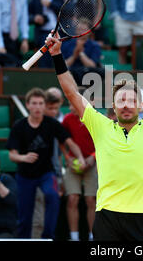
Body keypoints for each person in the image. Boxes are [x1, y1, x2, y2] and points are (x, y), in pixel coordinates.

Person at [44, 27, 143, 240]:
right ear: (113, 105)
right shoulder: (100, 125)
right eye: (121, 100)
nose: (126, 105)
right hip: (107, 217)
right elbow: (71, 92)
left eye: (131, 100)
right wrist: (57, 55)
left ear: (140, 104)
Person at [6, 87, 85, 239]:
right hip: (25, 175)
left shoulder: (52, 124)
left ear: (44, 105)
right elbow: (12, 155)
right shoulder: (19, 126)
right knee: (25, 215)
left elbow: (69, 142)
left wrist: (80, 157)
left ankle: (48, 237)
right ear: (28, 105)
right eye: (34, 103)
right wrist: (24, 157)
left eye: (41, 103)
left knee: (52, 195)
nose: (37, 107)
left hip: (46, 173)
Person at [32, 87, 66, 238]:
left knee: (49, 220)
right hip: (35, 177)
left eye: (55, 108)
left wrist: (59, 179)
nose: (53, 111)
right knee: (38, 219)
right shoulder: (32, 126)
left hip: (52, 176)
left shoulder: (55, 127)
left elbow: (57, 156)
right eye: (50, 108)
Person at [62, 95, 97, 241]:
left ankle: (92, 236)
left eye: (73, 104)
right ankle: (74, 237)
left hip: (93, 164)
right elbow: (62, 140)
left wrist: (93, 157)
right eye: (69, 104)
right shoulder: (67, 119)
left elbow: (104, 142)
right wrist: (67, 158)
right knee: (72, 199)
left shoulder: (95, 118)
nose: (70, 107)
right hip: (73, 164)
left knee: (91, 200)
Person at [29, 0, 68, 69]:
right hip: (43, 35)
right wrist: (35, 18)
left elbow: (68, 12)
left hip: (60, 34)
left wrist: (50, 4)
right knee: (44, 62)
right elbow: (27, 17)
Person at [60, 21, 104, 86]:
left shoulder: (95, 46)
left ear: (90, 32)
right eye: (79, 29)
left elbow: (92, 65)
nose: (81, 32)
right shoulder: (67, 44)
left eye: (84, 30)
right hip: (70, 76)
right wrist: (74, 56)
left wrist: (80, 53)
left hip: (89, 78)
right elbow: (63, 66)